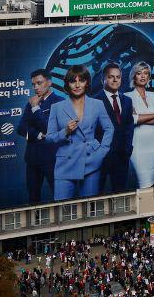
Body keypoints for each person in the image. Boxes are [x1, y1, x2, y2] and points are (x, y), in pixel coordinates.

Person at [46, 65, 113, 200]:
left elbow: (109, 128)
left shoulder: (97, 104)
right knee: (61, 210)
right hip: (65, 164)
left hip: (91, 161)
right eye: (72, 81)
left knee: (89, 210)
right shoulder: (56, 107)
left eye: (81, 80)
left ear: (87, 82)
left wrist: (102, 151)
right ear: (67, 84)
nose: (77, 85)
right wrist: (65, 131)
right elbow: (49, 138)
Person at [95, 62, 135, 194]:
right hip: (101, 159)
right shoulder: (95, 101)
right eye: (111, 77)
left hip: (122, 157)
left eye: (118, 77)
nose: (115, 80)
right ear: (103, 79)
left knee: (120, 195)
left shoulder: (127, 101)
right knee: (96, 194)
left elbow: (129, 127)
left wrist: (128, 149)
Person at [19, 68, 58, 203]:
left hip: (52, 159)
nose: (36, 87)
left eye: (39, 83)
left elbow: (49, 128)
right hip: (32, 159)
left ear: (49, 82)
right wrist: (39, 135)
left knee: (59, 196)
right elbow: (21, 128)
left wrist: (36, 108)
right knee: (33, 199)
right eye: (34, 84)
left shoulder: (59, 102)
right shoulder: (30, 103)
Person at [125, 61, 154, 189]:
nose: (142, 76)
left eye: (146, 73)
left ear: (149, 77)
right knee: (143, 182)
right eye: (139, 73)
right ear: (133, 76)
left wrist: (141, 117)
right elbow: (132, 120)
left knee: (151, 181)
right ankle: (145, 206)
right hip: (138, 145)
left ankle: (150, 205)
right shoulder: (126, 97)